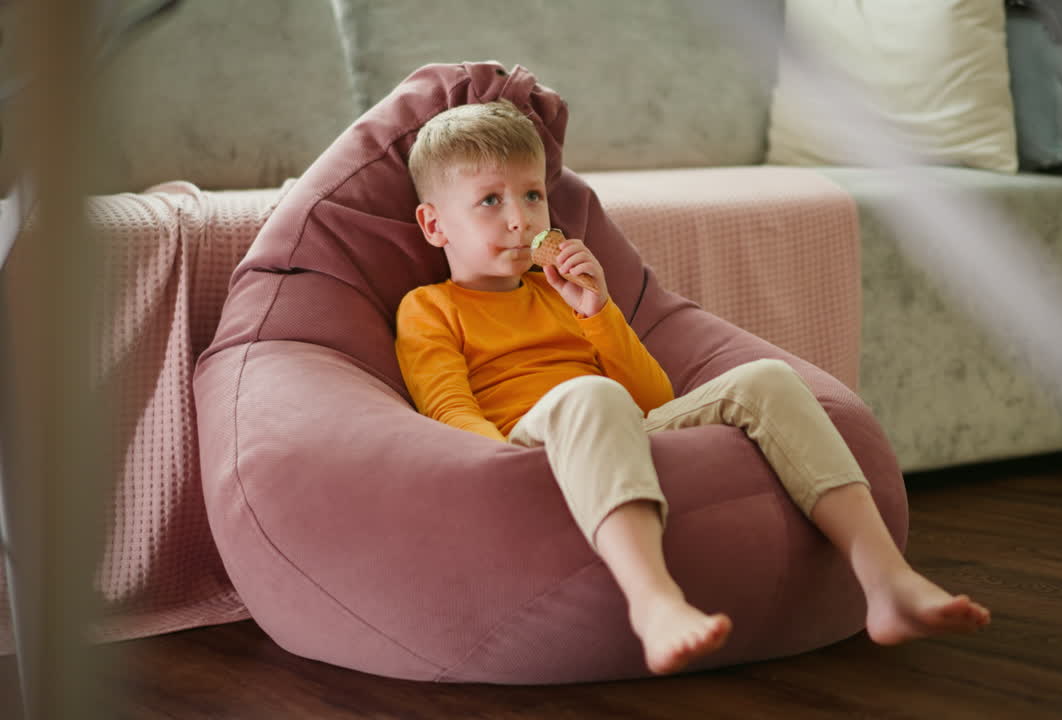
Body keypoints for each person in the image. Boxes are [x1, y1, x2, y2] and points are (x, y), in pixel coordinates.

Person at [395, 99, 991, 676]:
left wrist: (597, 311)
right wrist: (499, 476)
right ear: (434, 224)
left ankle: (884, 575)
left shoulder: (559, 294)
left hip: (616, 425)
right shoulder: (430, 308)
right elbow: (448, 408)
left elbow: (654, 400)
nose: (520, 218)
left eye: (532, 195)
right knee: (590, 395)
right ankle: (654, 602)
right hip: (524, 445)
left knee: (766, 378)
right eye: (490, 200)